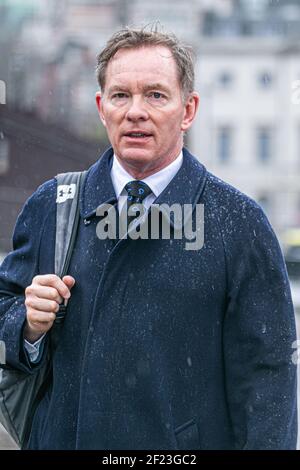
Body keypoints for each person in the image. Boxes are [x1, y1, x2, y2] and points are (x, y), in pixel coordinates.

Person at [0, 27, 297, 450]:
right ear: (102, 108)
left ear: (188, 109)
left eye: (156, 95)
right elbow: (3, 308)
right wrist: (27, 325)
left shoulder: (239, 222)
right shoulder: (53, 204)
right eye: (121, 95)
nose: (135, 111)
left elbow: (269, 378)